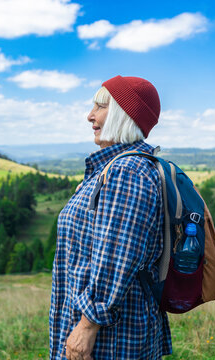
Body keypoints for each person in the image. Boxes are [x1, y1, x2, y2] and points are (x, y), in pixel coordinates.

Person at [49, 75, 172, 359]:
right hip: (108, 328)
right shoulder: (117, 169)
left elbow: (117, 257)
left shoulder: (127, 173)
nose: (89, 115)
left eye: (100, 106)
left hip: (111, 336)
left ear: (123, 115)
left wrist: (86, 326)